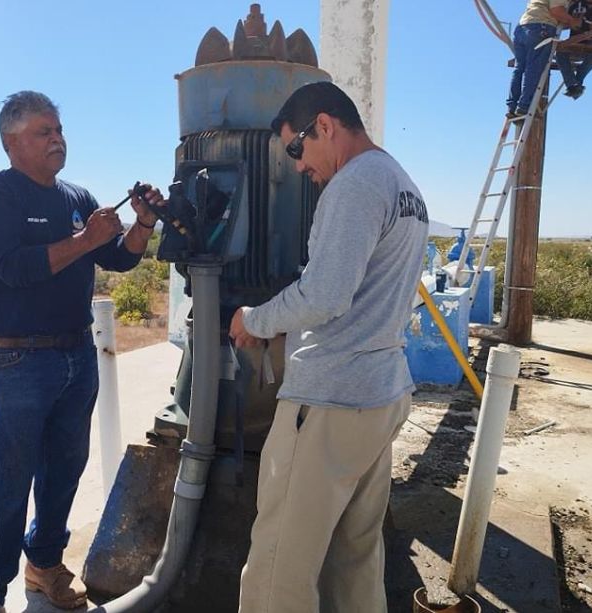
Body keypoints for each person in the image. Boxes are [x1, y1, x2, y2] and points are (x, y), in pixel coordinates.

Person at [229, 82, 430, 613]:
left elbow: (324, 296)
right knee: (355, 556)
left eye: (297, 148)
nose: (297, 166)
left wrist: (256, 319)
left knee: (279, 568)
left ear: (325, 125)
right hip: (380, 394)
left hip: (329, 401)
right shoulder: (401, 183)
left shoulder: (355, 184)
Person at [0, 91, 161, 612]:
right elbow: (11, 269)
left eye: (59, 128)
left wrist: (144, 222)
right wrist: (86, 241)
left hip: (75, 356)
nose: (57, 138)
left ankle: (43, 567)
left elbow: (122, 260)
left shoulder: (78, 197)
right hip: (19, 361)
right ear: (12, 141)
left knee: (65, 469)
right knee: (11, 482)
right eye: (44, 131)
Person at [507, 0, 582, 118]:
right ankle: (524, 106)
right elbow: (556, 11)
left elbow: (553, 13)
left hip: (523, 27)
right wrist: (574, 21)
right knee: (533, 68)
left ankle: (512, 106)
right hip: (540, 28)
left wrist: (568, 21)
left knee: (519, 68)